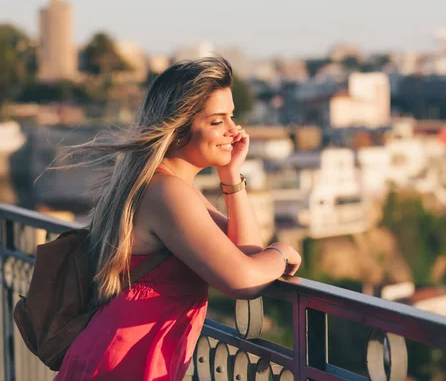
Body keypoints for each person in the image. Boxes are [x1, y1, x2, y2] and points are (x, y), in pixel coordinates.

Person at [54, 57, 302, 380]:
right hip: (120, 367)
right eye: (217, 121)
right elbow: (244, 279)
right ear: (179, 128)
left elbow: (245, 252)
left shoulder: (169, 186)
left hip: (120, 360)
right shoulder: (167, 193)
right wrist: (282, 252)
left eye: (232, 116)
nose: (234, 131)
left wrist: (231, 175)